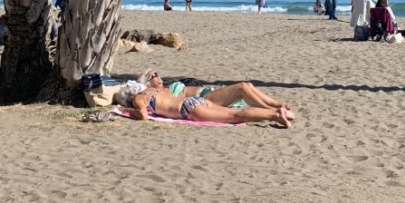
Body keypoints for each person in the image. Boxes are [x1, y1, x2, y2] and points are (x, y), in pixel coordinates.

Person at [116, 80, 292, 128]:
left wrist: (129, 111)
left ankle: (276, 115)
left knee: (235, 115)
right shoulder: (156, 90)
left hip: (187, 109)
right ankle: (282, 113)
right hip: (195, 102)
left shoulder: (139, 98)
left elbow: (144, 116)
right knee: (232, 113)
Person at [138, 70, 293, 114]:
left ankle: (277, 104)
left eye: (158, 73)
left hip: (209, 92)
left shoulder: (167, 87)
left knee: (248, 85)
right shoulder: (158, 94)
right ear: (147, 82)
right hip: (205, 98)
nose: (159, 76)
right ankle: (271, 110)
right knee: (242, 88)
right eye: (154, 75)